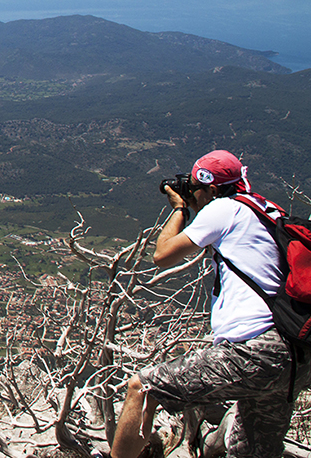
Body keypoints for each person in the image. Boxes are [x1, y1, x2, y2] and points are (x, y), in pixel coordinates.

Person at [110, 150, 310, 458]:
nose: (192, 193)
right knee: (253, 450)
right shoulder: (265, 210)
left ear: (213, 189)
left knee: (142, 389)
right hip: (294, 355)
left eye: (195, 187)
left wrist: (179, 210)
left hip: (255, 351)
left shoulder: (224, 209)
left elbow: (163, 254)